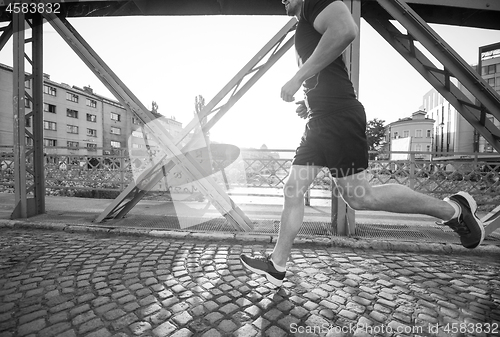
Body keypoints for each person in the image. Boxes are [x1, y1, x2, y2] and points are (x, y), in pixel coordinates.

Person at [239, 0, 485, 287]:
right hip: (319, 120)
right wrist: (309, 100)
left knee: (359, 197)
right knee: (293, 188)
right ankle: (277, 264)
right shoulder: (305, 21)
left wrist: (297, 77)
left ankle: (455, 211)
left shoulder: (312, 3)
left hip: (338, 118)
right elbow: (327, 70)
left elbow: (345, 29)